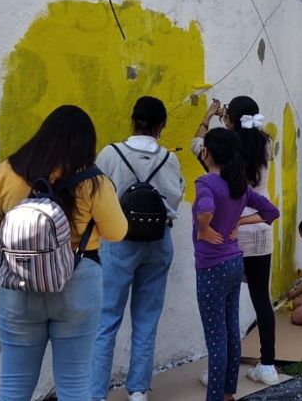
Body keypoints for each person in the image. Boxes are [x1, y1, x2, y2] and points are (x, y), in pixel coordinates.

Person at [0, 106, 128, 400]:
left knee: (13, 385)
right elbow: (117, 232)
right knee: (75, 385)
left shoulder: (6, 172)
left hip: (18, 282)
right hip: (78, 283)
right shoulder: (95, 183)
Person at [90, 97, 185, 401]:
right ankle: (138, 391)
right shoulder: (169, 159)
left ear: (133, 120)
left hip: (118, 241)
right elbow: (175, 198)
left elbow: (94, 192)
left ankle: (95, 393)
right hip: (158, 243)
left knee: (106, 320)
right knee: (146, 318)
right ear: (161, 126)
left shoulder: (110, 154)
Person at [193, 96, 280, 384]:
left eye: (228, 115)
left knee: (221, 308)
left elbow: (199, 147)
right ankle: (267, 364)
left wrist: (209, 117)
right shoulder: (264, 143)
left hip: (229, 230)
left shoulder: (227, 150)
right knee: (261, 299)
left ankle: (220, 370)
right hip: (260, 232)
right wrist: (229, 121)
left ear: (232, 120)